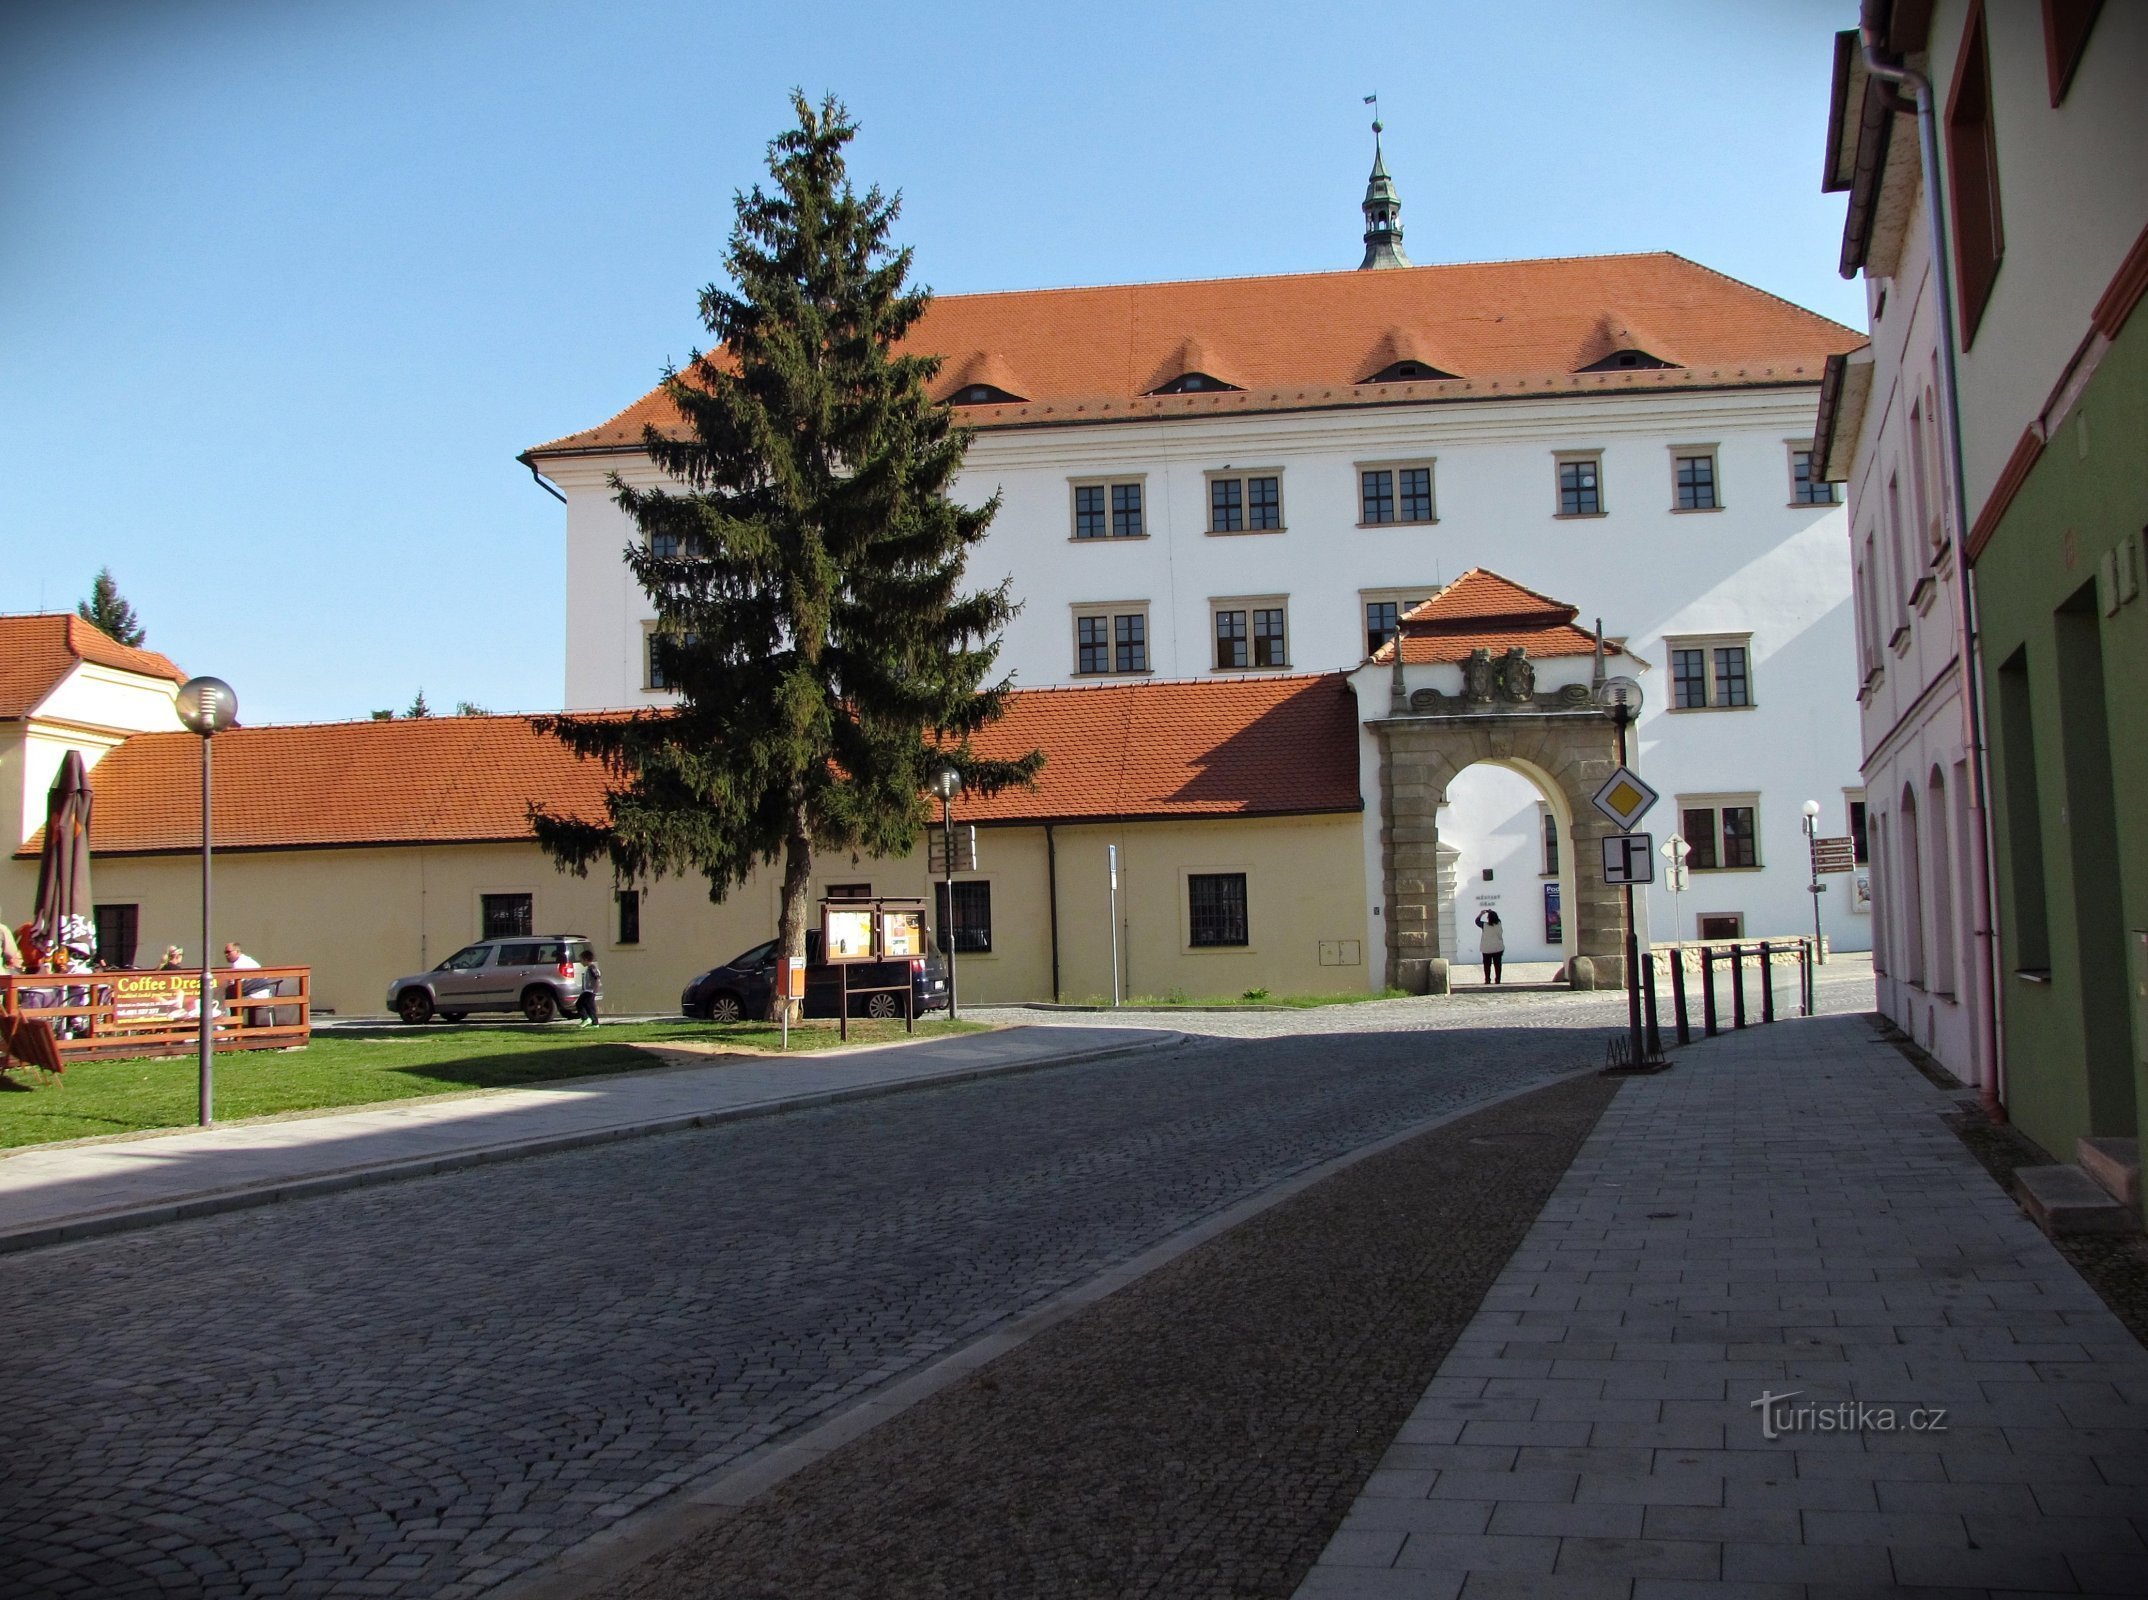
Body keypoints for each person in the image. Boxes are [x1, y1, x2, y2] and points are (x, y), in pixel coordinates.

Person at [1474, 909, 1505, 986]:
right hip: (1498, 948)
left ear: (1488, 918)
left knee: (1487, 965)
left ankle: (1487, 979)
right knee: (1497, 965)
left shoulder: (1485, 925)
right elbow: (1497, 919)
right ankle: (1498, 979)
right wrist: (1491, 912)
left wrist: (1481, 913)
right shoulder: (1499, 924)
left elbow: (1477, 921)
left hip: (1487, 948)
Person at [574, 951, 602, 1028]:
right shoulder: (589, 968)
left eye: (581, 960)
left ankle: (587, 1019)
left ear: (586, 960)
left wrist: (594, 991)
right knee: (588, 1006)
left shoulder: (592, 968)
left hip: (590, 991)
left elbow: (597, 978)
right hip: (588, 990)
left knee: (581, 1004)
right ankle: (594, 1023)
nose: (580, 962)